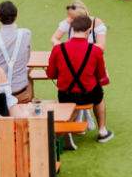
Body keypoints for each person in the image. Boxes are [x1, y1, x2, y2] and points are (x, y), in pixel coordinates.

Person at [46, 13, 113, 142]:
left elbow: (51, 74)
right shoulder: (96, 50)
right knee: (99, 97)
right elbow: (101, 77)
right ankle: (102, 131)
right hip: (89, 95)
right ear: (88, 31)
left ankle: (64, 130)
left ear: (72, 29)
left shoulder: (58, 49)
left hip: (65, 95)